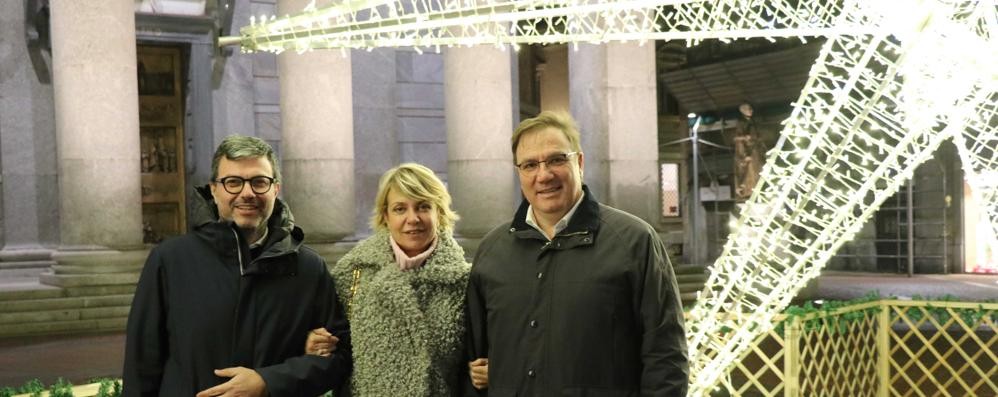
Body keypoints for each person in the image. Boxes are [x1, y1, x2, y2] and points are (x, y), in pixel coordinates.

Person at [465, 111, 689, 396]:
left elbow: (666, 357)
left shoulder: (633, 243)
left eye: (557, 159)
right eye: (530, 164)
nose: (544, 175)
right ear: (519, 173)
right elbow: (476, 359)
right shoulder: (492, 251)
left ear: (579, 162)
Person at [123, 135, 352, 396]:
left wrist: (268, 382)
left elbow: (340, 358)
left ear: (275, 189)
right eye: (233, 182)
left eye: (259, 182)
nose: (247, 193)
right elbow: (142, 365)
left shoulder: (309, 268)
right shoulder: (170, 260)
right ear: (213, 189)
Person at [306, 163, 473, 396]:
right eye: (400, 209)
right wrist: (317, 344)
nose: (412, 218)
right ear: (385, 215)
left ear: (440, 213)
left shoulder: (465, 281)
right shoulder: (353, 273)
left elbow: (477, 361)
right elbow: (337, 350)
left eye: (423, 207)